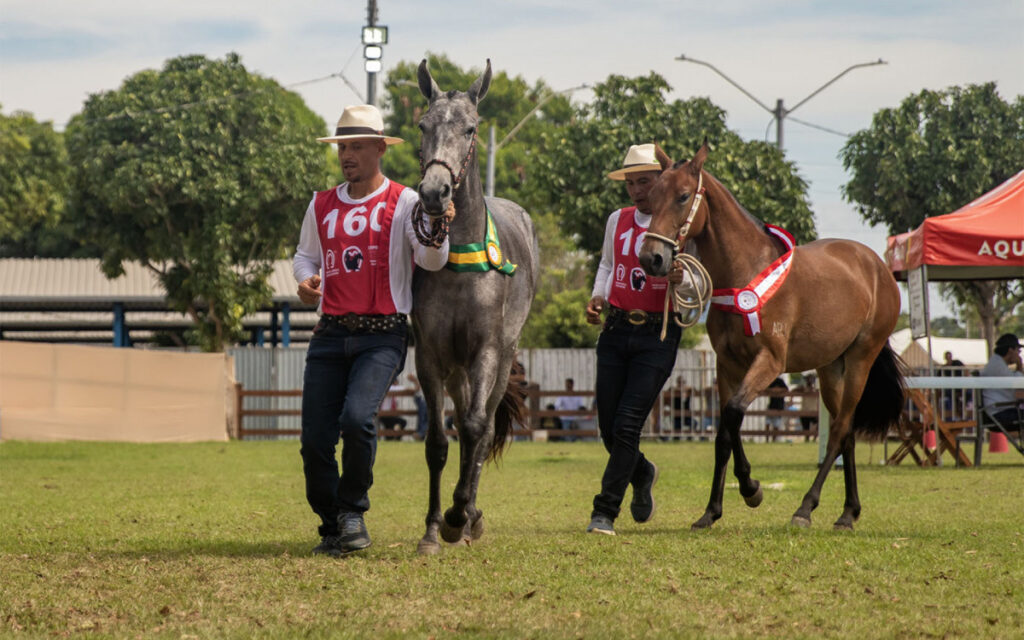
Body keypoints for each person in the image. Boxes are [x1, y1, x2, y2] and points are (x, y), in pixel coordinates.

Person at [293, 104, 450, 557]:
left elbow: (430, 261)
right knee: (314, 440)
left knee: (357, 419)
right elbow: (306, 256)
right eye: (343, 146)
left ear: (380, 148)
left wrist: (439, 226)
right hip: (329, 335)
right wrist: (306, 281)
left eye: (357, 146)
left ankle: (353, 510)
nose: (347, 154)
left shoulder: (404, 201)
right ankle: (331, 524)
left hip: (383, 334)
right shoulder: (320, 203)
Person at [583, 143, 687, 536]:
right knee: (609, 428)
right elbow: (608, 264)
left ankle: (605, 511)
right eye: (631, 183)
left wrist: (683, 279)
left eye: (645, 181)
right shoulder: (618, 220)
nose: (637, 190)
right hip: (615, 328)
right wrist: (597, 296)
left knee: (627, 425)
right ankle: (642, 473)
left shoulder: (679, 222)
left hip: (657, 333)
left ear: (661, 180)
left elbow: (697, 280)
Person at [979, 333, 1024, 431]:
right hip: (999, 414)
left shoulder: (997, 363)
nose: (1018, 354)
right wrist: (1019, 365)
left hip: (1000, 411)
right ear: (1010, 350)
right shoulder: (997, 366)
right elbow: (1019, 383)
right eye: (1018, 351)